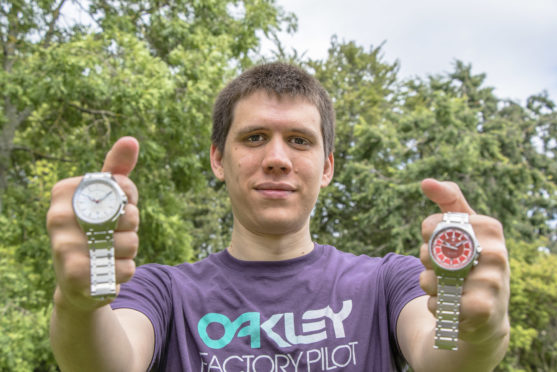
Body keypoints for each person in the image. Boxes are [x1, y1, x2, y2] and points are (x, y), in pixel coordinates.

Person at [47, 62, 510, 371]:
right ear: (217, 160)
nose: (277, 159)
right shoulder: (163, 291)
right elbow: (107, 362)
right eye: (253, 138)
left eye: (300, 140)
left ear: (327, 167)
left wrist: (481, 330)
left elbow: (444, 358)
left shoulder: (388, 282)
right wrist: (79, 301)